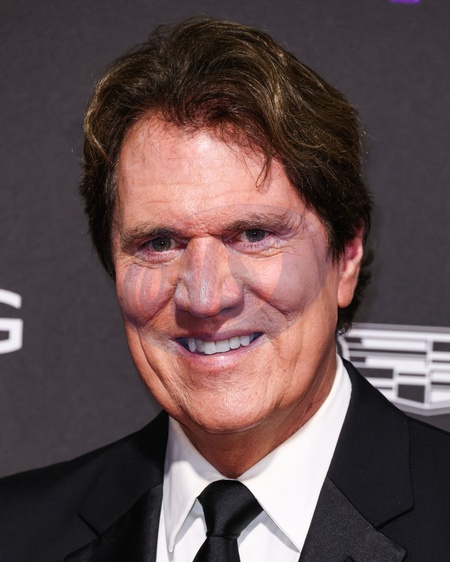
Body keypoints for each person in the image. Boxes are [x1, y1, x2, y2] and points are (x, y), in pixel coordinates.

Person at [1, 17, 450, 562]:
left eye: (254, 235)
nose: (206, 298)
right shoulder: (17, 534)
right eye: (159, 243)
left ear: (346, 256)